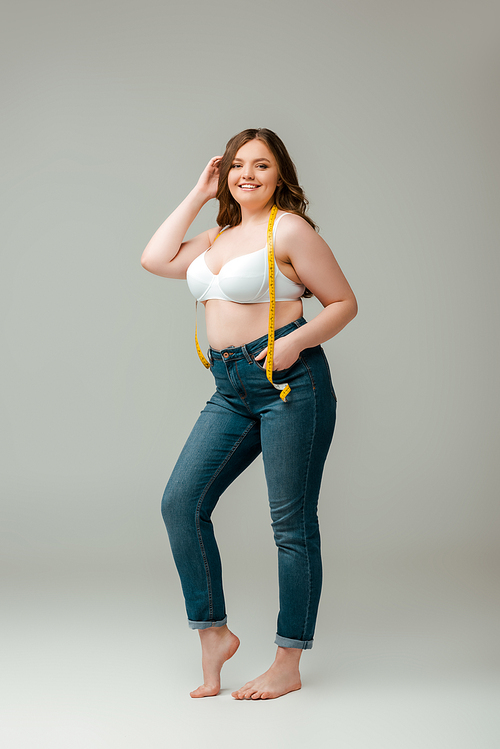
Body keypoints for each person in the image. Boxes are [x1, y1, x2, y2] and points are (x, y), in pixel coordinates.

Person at [141, 128, 357, 700]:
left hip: (290, 383)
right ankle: (213, 633)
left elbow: (343, 303)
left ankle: (289, 659)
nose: (248, 174)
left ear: (280, 173)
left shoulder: (288, 229)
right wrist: (198, 191)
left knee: (290, 525)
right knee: (181, 503)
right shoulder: (217, 234)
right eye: (238, 165)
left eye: (261, 165)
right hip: (230, 386)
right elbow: (154, 258)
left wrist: (296, 342)